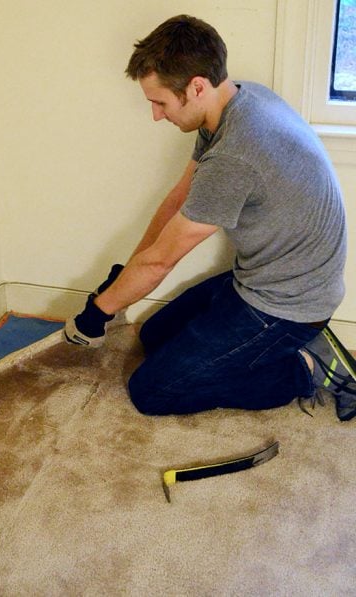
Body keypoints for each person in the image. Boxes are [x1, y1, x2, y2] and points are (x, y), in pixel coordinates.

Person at [64, 15, 356, 422]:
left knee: (151, 391)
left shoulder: (235, 154)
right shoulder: (235, 103)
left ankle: (306, 366)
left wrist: (96, 314)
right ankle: (280, 349)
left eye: (160, 102)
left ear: (197, 87)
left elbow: (162, 261)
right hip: (265, 279)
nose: (156, 115)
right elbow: (178, 200)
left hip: (287, 306)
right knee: (154, 337)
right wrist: (125, 276)